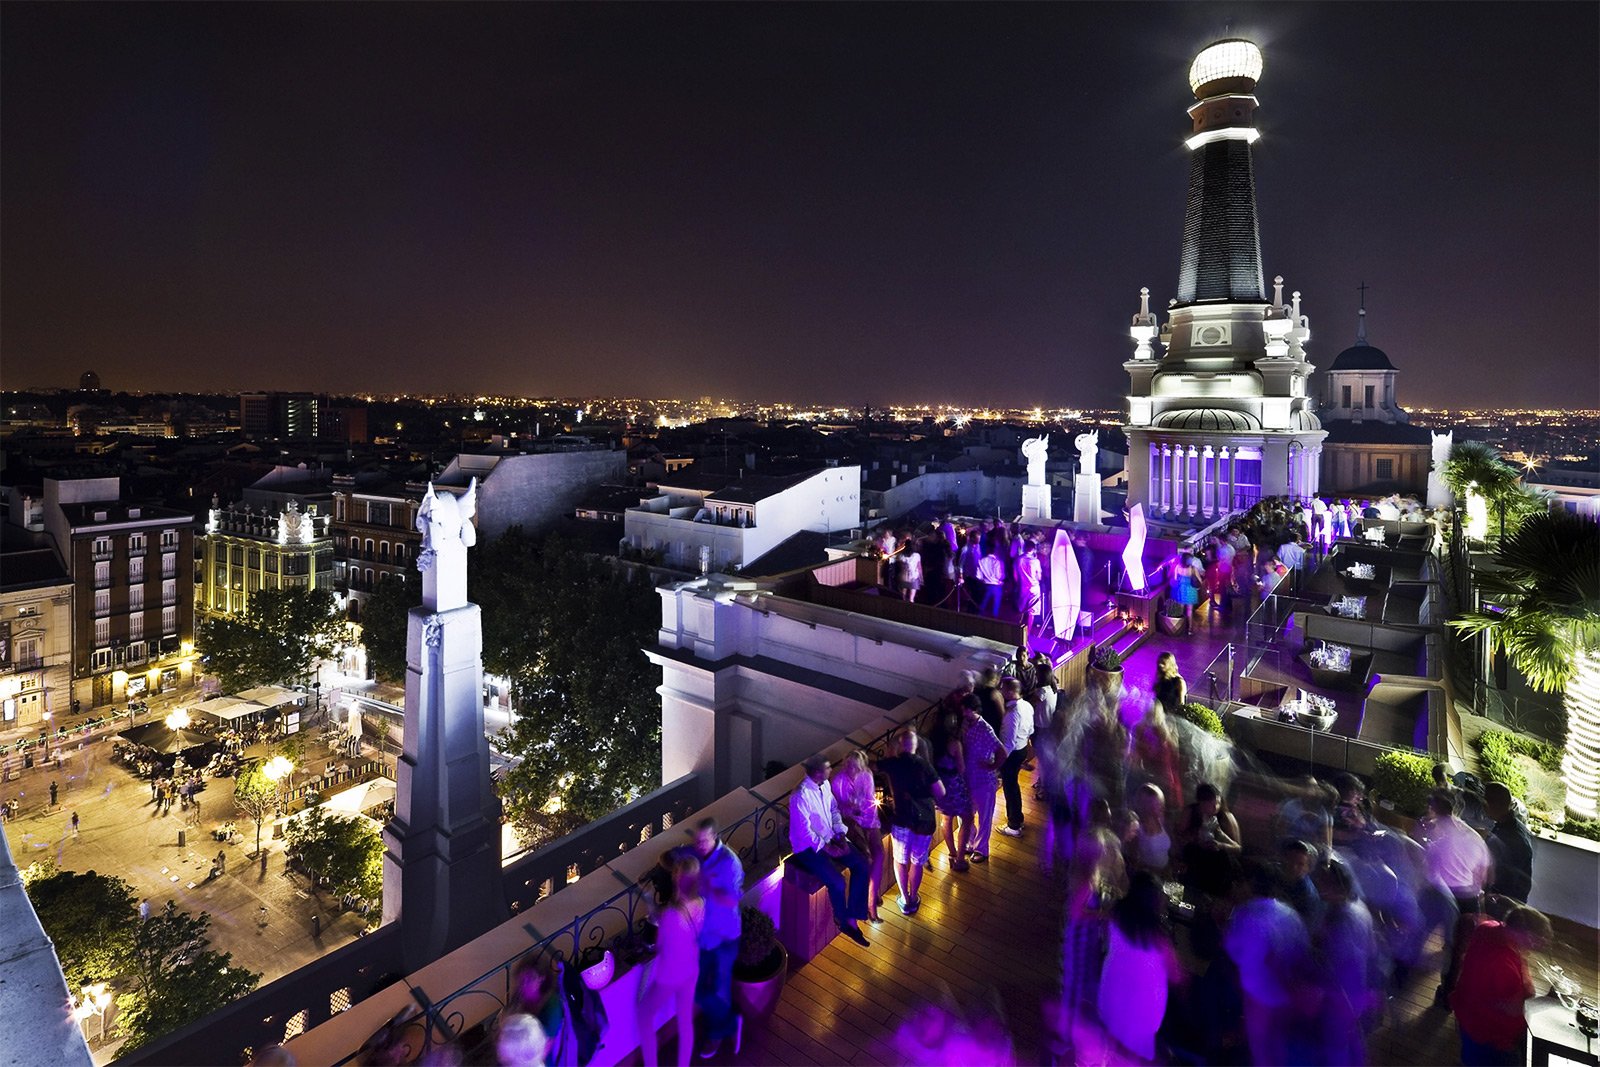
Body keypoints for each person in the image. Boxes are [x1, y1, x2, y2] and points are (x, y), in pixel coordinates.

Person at [1449, 904, 1553, 1066]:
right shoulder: (1505, 965)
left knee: (1470, 1057)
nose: (1536, 946)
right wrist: (1547, 1000)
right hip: (1489, 1035)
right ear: (1523, 934)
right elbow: (1513, 1009)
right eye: (1536, 940)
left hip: (1467, 1014)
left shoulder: (1488, 927)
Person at [1096, 871, 1182, 1061]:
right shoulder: (1159, 935)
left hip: (1112, 990)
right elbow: (1176, 975)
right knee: (1133, 1054)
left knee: (1111, 1042)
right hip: (1141, 1008)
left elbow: (1105, 937)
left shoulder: (1115, 911)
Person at [787, 755, 872, 946]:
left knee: (861, 864)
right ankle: (842, 920)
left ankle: (853, 916)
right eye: (827, 767)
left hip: (830, 836)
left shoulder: (824, 785)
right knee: (837, 882)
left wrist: (840, 834)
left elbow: (834, 810)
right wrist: (829, 849)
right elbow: (804, 833)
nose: (831, 770)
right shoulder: (800, 796)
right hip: (808, 848)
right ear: (817, 772)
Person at [1417, 789, 1491, 1003]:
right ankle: (1447, 996)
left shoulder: (1436, 834)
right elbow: (1482, 874)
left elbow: (1425, 868)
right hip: (1469, 897)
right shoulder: (1474, 836)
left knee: (1419, 932)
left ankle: (1402, 974)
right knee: (1457, 951)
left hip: (1440, 894)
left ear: (1433, 808)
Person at [637, 853, 705, 1067]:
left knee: (643, 1016)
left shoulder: (671, 915)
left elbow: (659, 944)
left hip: (670, 974)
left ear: (677, 878)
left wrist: (648, 900)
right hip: (692, 969)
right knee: (685, 1022)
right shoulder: (701, 902)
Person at [687, 819, 742, 1059]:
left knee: (719, 989)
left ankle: (718, 1034)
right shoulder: (697, 857)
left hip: (724, 936)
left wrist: (708, 886)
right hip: (703, 937)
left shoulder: (729, 863)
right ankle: (729, 1022)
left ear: (715, 837)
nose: (698, 844)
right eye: (696, 840)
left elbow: (732, 900)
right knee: (698, 990)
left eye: (702, 840)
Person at [877, 728, 945, 915]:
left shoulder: (894, 763)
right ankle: (914, 897)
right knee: (917, 861)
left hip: (903, 818)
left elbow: (873, 766)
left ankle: (904, 899)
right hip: (925, 820)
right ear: (915, 746)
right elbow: (941, 792)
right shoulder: (925, 766)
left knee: (900, 860)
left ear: (900, 746)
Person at [832, 751, 884, 923]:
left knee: (879, 854)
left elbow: (870, 802)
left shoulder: (866, 775)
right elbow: (838, 809)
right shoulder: (838, 780)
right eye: (849, 765)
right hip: (850, 821)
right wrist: (852, 810)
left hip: (868, 818)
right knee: (867, 856)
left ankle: (873, 894)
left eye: (855, 766)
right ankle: (869, 906)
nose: (852, 769)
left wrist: (868, 822)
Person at [959, 695, 1004, 864]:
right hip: (968, 779)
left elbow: (1002, 752)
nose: (963, 712)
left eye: (965, 709)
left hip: (984, 781)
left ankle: (981, 850)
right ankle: (970, 843)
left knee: (984, 817)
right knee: (966, 815)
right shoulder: (965, 724)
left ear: (974, 710)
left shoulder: (985, 729)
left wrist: (992, 767)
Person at [1178, 783, 1242, 900]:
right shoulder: (1191, 812)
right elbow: (1179, 835)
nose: (1216, 807)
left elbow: (1238, 849)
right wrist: (1194, 838)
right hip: (1196, 860)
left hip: (1219, 864)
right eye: (1211, 804)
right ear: (1201, 803)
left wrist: (1221, 844)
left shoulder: (1225, 817)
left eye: (1218, 803)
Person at [928, 709, 973, 872]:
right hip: (954, 784)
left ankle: (952, 853)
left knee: (946, 819)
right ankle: (960, 859)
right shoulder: (954, 744)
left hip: (940, 785)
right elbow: (961, 768)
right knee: (967, 818)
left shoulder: (932, 741)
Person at [1483, 782, 1533, 904]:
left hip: (1505, 902)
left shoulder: (1513, 838)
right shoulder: (1507, 825)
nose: (1483, 807)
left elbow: (1506, 880)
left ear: (1493, 805)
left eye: (1485, 803)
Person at [997, 677, 1033, 838]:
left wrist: (999, 761)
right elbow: (1031, 730)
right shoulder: (1027, 706)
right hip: (1022, 748)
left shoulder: (1012, 714)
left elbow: (1009, 743)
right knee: (1013, 786)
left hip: (1012, 754)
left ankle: (1014, 825)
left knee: (1010, 788)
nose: (1000, 691)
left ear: (1010, 692)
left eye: (1003, 688)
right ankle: (1017, 818)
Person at [1128, 783, 1170, 875]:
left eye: (1161, 803)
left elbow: (1165, 851)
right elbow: (1133, 861)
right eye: (1158, 804)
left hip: (1166, 874)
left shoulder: (1161, 821)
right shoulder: (1137, 828)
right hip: (1149, 879)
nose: (1162, 807)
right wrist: (1158, 871)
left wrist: (1172, 865)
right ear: (1147, 805)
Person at [976, 544, 1006, 618]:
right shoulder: (997, 562)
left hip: (985, 585)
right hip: (996, 586)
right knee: (995, 607)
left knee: (983, 604)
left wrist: (984, 580)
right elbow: (999, 576)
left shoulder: (981, 561)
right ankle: (994, 622)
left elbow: (978, 576)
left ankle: (978, 621)